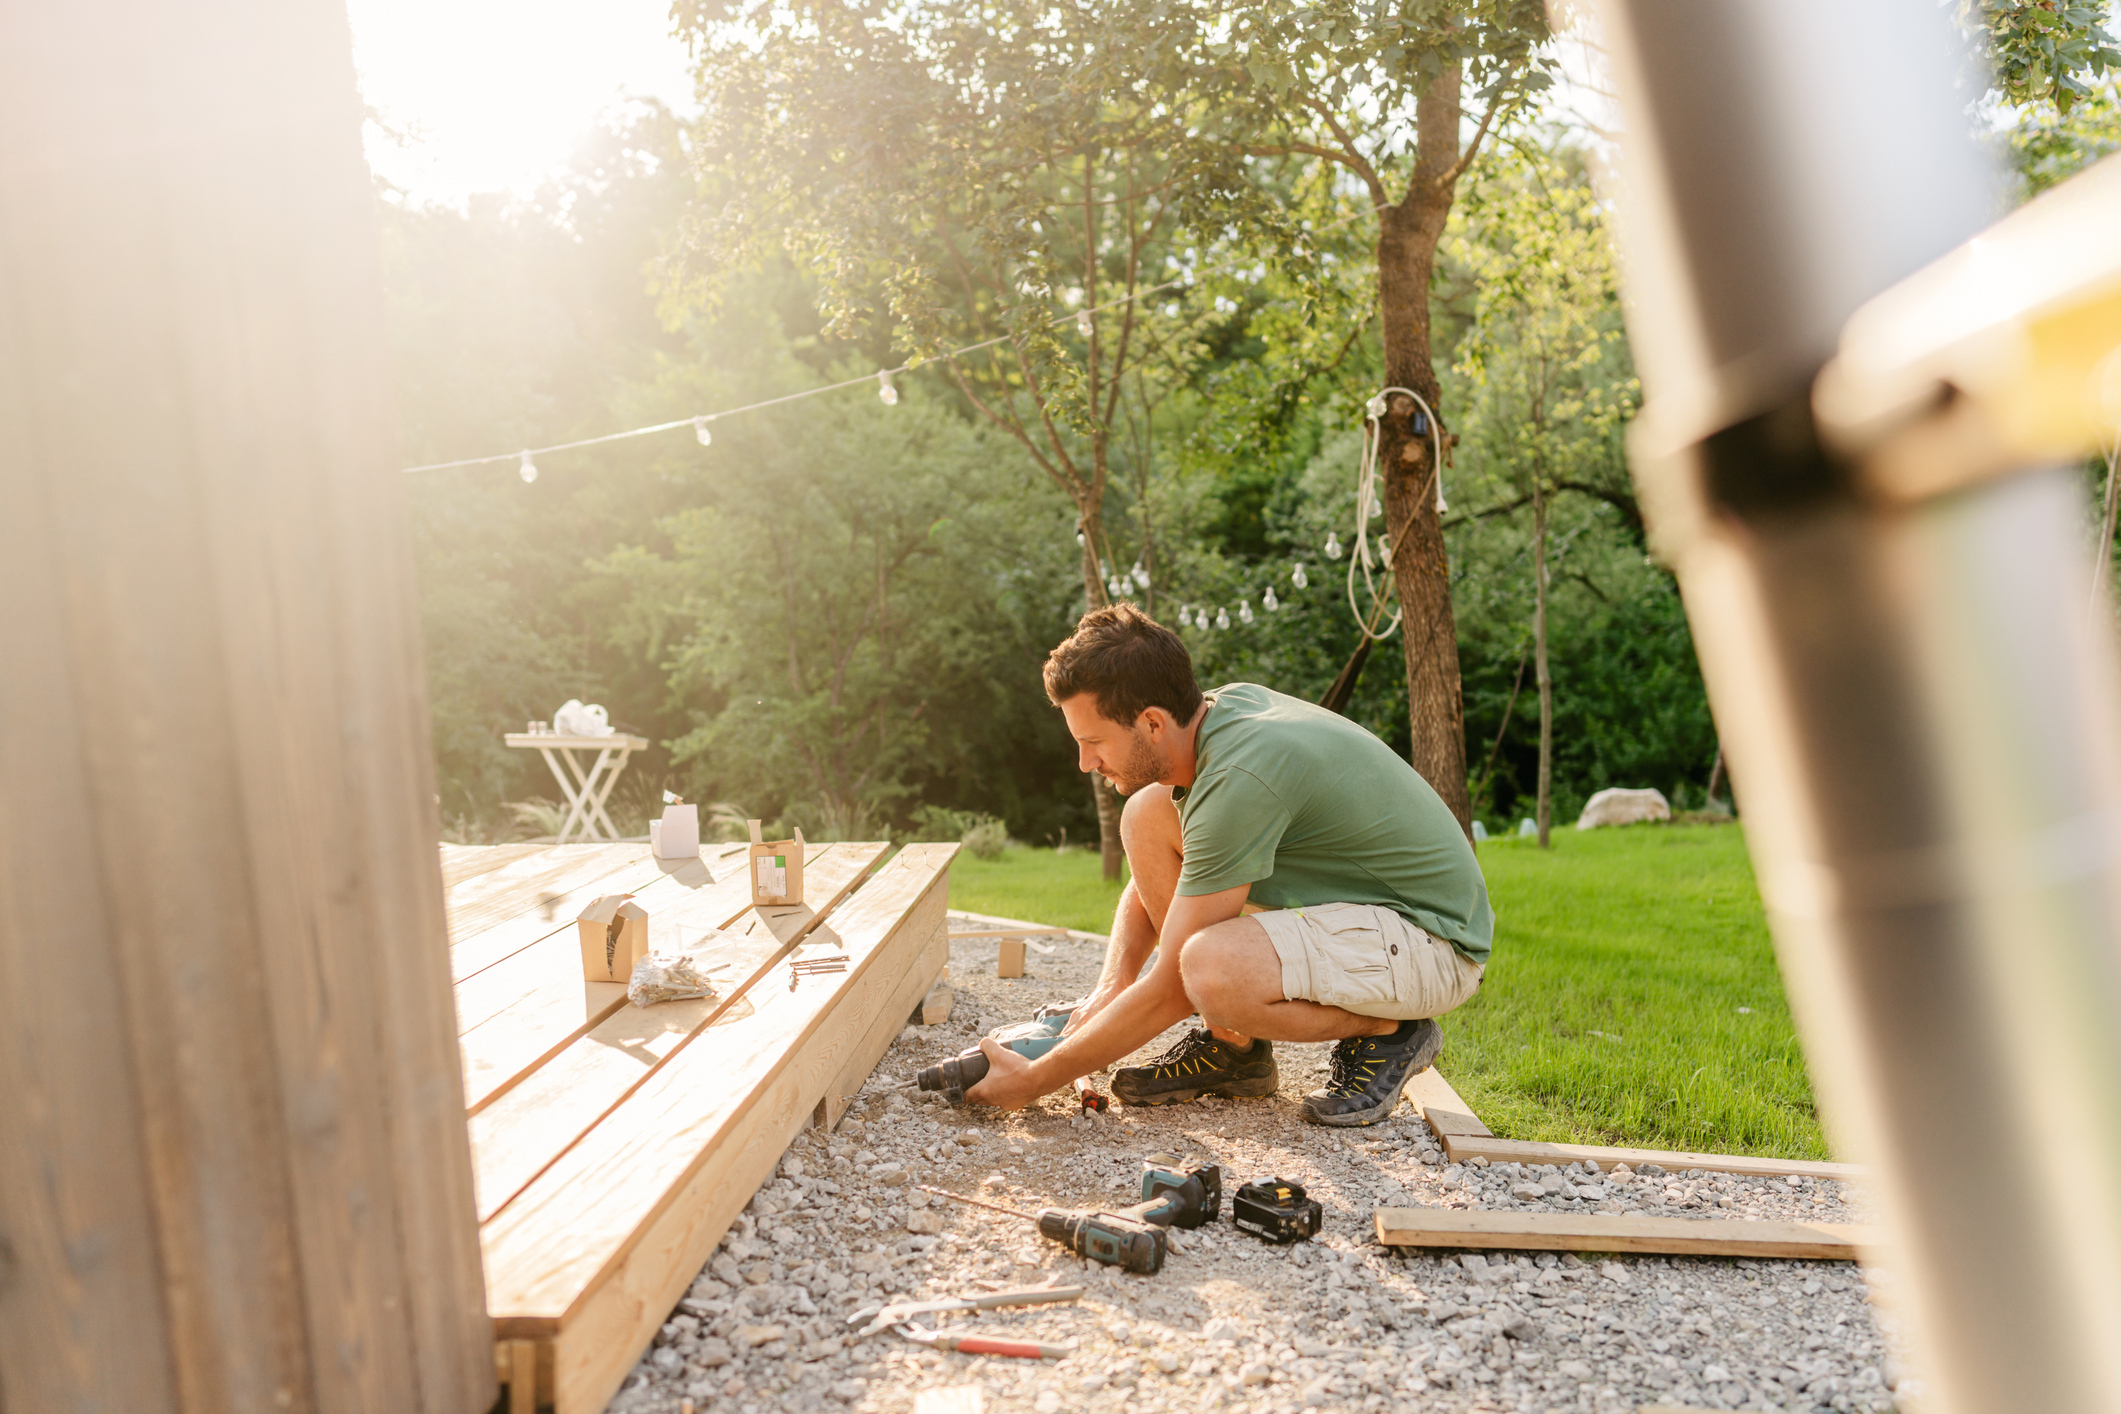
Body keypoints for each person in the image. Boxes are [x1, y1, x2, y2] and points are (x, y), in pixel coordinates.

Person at [965, 604, 1494, 1125]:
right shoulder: (1215, 721)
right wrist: (1113, 985)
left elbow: (1174, 987)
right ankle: (1235, 1052)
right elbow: (1177, 870)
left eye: (1093, 741)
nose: (1085, 763)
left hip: (1435, 941)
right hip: (1378, 922)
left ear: (1151, 722)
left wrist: (1036, 1080)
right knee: (1146, 814)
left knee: (1208, 969)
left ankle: (1392, 1029)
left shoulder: (1239, 777)